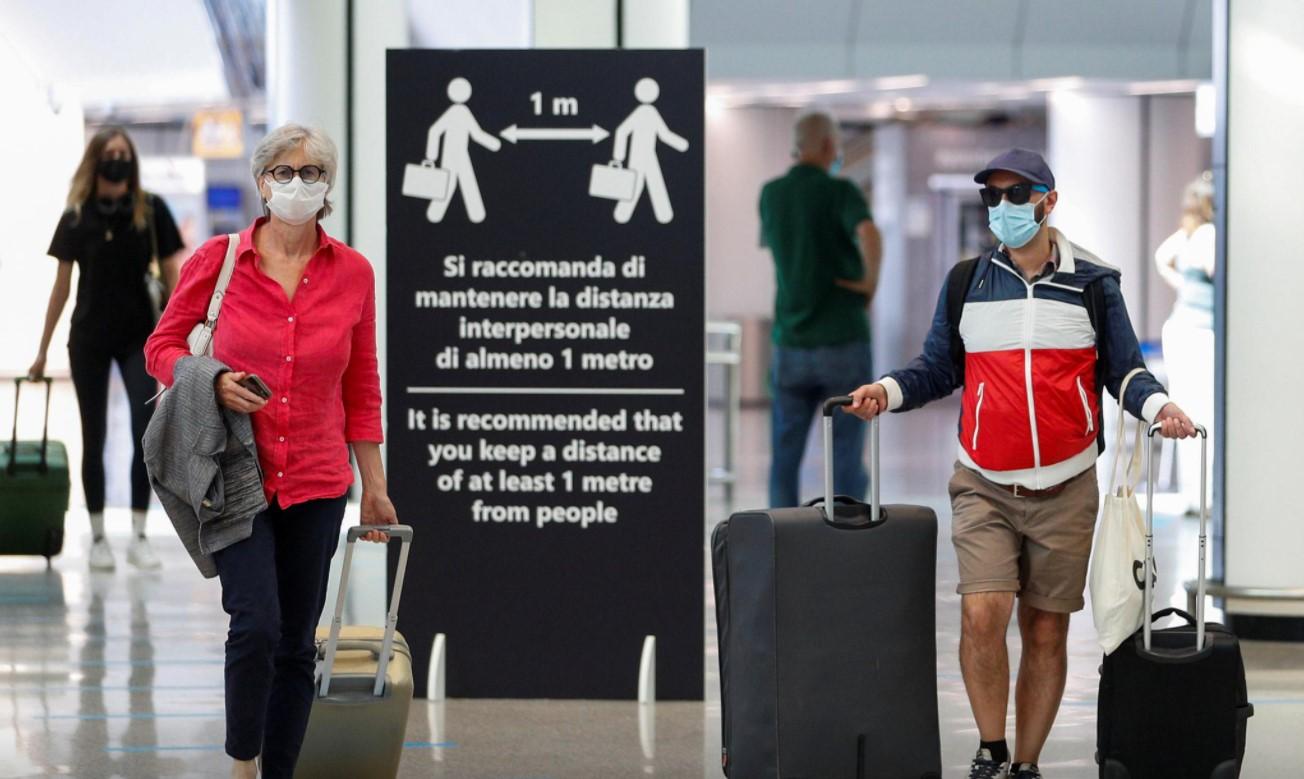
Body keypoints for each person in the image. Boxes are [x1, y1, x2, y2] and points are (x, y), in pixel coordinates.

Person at [844, 149, 1196, 779]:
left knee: (1044, 631)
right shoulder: (966, 283)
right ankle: (991, 749)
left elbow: (1124, 372)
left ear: (1047, 201)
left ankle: (1026, 763)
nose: (1002, 208)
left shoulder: (1094, 283)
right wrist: (888, 392)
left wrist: (1162, 406)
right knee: (983, 613)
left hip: (1066, 484)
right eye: (992, 197)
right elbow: (937, 368)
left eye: (1016, 194)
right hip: (983, 480)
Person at [144, 124, 396, 779]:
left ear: (327, 187)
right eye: (284, 172)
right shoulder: (219, 260)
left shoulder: (354, 274)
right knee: (254, 622)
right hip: (234, 473)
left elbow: (361, 384)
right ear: (262, 182)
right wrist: (212, 380)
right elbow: (161, 348)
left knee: (294, 643)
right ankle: (242, 763)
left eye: (311, 172)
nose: (297, 183)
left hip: (315, 480)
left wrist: (373, 482)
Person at [28, 126, 185, 572]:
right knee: (92, 434)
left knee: (143, 427)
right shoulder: (76, 216)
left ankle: (138, 534)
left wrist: (180, 330)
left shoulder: (150, 209)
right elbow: (61, 287)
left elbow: (174, 272)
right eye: (109, 153)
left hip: (140, 337)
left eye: (124, 153)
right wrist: (42, 349)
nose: (117, 159)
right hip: (89, 337)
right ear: (96, 159)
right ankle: (97, 536)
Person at [759, 111, 881, 508]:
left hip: (790, 342)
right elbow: (869, 233)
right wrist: (869, 283)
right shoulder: (840, 192)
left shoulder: (772, 194)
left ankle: (779, 539)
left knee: (784, 453)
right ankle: (846, 538)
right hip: (843, 338)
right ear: (829, 146)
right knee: (845, 451)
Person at [1154, 172, 1215, 515]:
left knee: (1187, 411)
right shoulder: (1209, 234)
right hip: (1202, 332)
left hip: (1179, 328)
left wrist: (1182, 286)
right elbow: (1217, 271)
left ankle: (1195, 495)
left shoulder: (1188, 233)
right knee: (1204, 412)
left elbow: (1161, 257)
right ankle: (1206, 497)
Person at [611, 77, 690, 224]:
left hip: (646, 156)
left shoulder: (648, 112)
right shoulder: (645, 112)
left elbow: (662, 134)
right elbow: (622, 131)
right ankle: (623, 214)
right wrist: (618, 156)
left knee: (651, 183)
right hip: (640, 157)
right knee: (641, 184)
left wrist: (619, 155)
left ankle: (660, 214)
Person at [425, 77, 501, 223]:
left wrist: (432, 155)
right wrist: (494, 144)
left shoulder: (459, 112)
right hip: (455, 155)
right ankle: (438, 214)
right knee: (457, 182)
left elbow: (435, 131)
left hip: (457, 155)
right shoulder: (460, 112)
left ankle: (437, 214)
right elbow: (476, 134)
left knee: (459, 182)